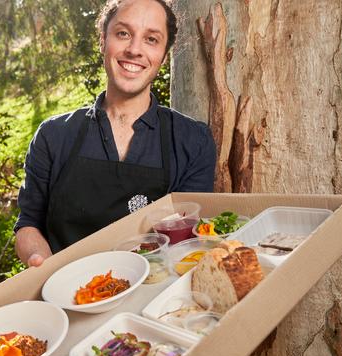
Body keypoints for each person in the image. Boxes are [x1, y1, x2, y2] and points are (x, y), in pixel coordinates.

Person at [14, 0, 216, 267]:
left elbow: (187, 239)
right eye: (123, 34)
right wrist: (41, 263)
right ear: (102, 40)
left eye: (151, 39)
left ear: (164, 55)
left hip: (153, 297)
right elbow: (28, 225)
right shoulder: (53, 136)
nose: (134, 50)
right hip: (64, 292)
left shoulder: (193, 141)